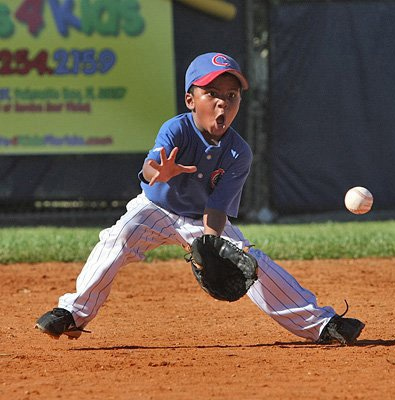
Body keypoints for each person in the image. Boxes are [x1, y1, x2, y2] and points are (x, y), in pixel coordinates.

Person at [35, 52, 365, 345]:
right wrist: (158, 173)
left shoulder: (239, 153)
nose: (222, 102)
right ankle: (72, 314)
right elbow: (149, 167)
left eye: (231, 95)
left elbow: (217, 207)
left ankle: (321, 324)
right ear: (191, 100)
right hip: (155, 207)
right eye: (211, 93)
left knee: (252, 263)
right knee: (116, 239)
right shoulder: (175, 129)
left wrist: (209, 245)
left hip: (200, 219)